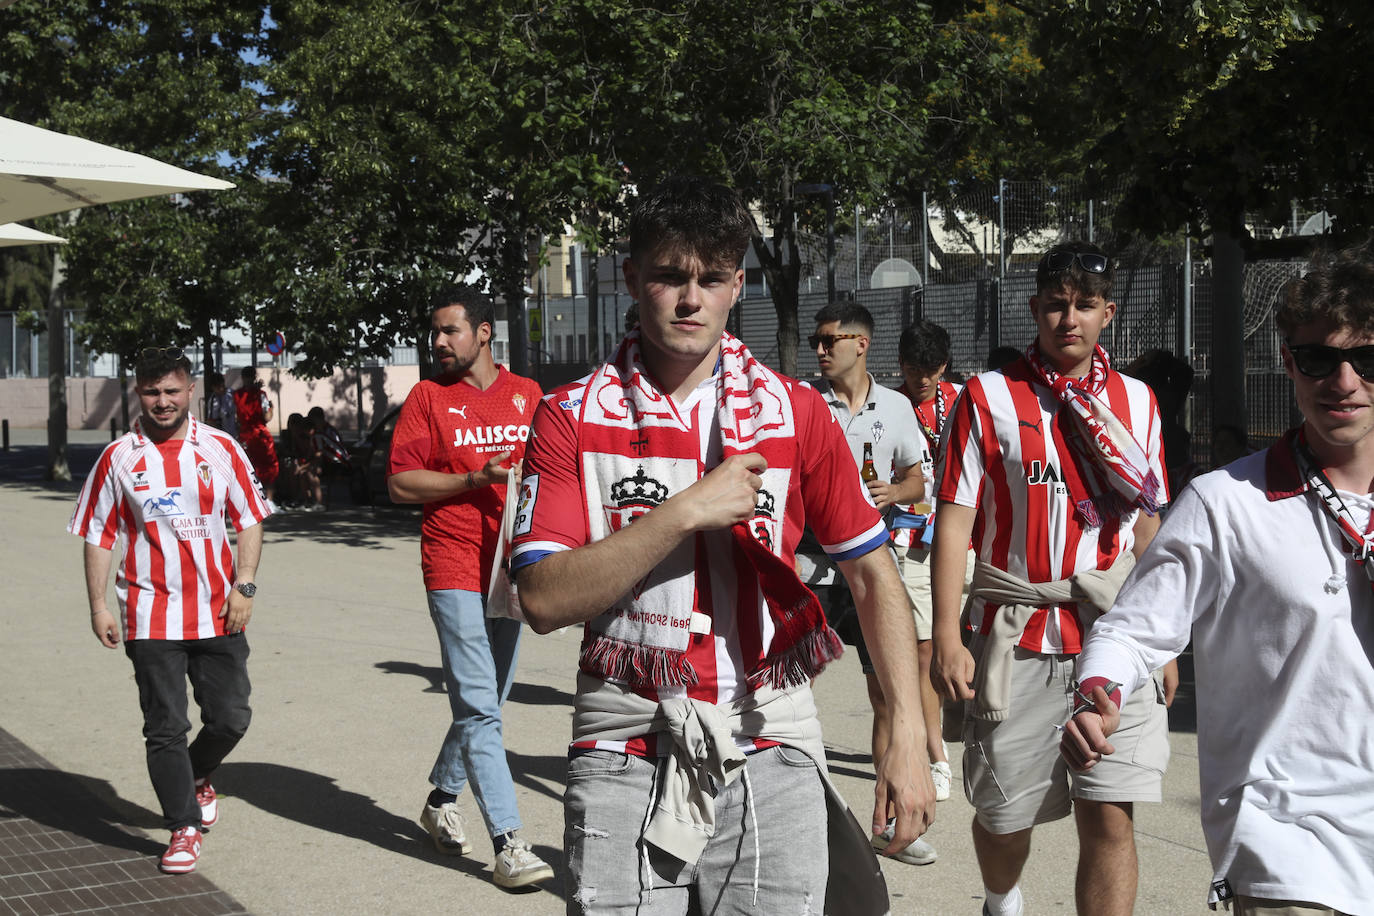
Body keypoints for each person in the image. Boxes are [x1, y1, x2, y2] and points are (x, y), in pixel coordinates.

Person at [511, 176, 936, 914]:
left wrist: (906, 732)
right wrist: (683, 513)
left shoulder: (795, 413)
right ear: (632, 278)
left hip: (774, 739)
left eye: (710, 279)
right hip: (626, 740)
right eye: (670, 277)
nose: (689, 299)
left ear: (737, 285)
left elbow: (871, 575)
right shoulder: (569, 417)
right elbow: (543, 598)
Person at [1061, 244, 1374, 915]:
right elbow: (1135, 627)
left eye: (1366, 359)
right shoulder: (1226, 502)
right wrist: (1098, 687)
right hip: (1289, 842)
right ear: (1289, 362)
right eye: (1320, 359)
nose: (1343, 381)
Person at [931, 241, 1177, 916]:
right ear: (1036, 308)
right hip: (1019, 636)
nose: (1069, 319)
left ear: (1108, 313)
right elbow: (954, 523)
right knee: (1005, 817)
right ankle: (1001, 900)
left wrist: (1166, 640)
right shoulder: (987, 397)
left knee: (1110, 815)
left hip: (1116, 634)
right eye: (1055, 305)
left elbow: (1149, 526)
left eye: (1085, 305)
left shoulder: (1140, 402)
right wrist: (948, 635)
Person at [69, 346, 269, 875]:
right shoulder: (118, 457)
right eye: (152, 392)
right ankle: (182, 826)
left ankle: (198, 774)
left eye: (172, 391)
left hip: (220, 611)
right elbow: (97, 534)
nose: (163, 402)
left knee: (231, 717)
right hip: (149, 614)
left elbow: (249, 519)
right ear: (138, 393)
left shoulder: (221, 447)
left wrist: (244, 587)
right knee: (164, 727)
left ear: (190, 391)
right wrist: (98, 606)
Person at [385, 286, 553, 889]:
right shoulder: (428, 398)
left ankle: (438, 800)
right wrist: (473, 478)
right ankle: (509, 843)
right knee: (481, 703)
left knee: (487, 699)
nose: (438, 343)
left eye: (449, 331)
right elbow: (402, 483)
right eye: (434, 333)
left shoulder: (527, 395)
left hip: (513, 564)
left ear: (484, 333)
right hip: (452, 561)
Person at [799, 302, 936, 866]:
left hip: (870, 568)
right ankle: (795, 824)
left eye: (829, 339)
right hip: (808, 569)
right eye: (815, 340)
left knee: (885, 695)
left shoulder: (897, 406)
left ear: (861, 344)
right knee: (784, 694)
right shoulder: (801, 401)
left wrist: (892, 495)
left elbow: (916, 478)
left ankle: (887, 823)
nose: (820, 350)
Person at [893, 318, 967, 805]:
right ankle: (937, 755)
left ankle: (978, 739)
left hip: (968, 537)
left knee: (978, 639)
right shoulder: (889, 406)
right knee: (924, 651)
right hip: (914, 541)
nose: (922, 378)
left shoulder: (963, 400)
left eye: (931, 368)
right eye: (913, 368)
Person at [233, 366, 279, 507]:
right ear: (254, 377)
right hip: (260, 434)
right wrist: (271, 408)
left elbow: (235, 417)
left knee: (247, 467)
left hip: (244, 435)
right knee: (269, 466)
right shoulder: (261, 394)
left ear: (242, 378)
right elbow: (267, 416)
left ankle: (249, 501)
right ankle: (269, 501)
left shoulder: (236, 395)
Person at [204, 370, 238, 438]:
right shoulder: (213, 401)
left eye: (222, 385)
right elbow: (211, 422)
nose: (221, 389)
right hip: (224, 436)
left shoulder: (232, 394)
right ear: (213, 388)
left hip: (236, 434)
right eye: (217, 387)